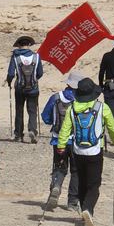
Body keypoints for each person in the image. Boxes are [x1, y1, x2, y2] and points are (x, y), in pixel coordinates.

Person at [55, 78, 114, 226]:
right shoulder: (102, 107)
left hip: (78, 151)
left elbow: (65, 129)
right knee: (94, 184)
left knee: (82, 181)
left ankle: (84, 209)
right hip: (95, 151)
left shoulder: (72, 108)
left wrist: (61, 146)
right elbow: (112, 127)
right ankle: (88, 209)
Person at [40, 71, 85, 211]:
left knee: (59, 167)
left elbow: (45, 117)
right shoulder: (81, 100)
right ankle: (72, 202)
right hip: (76, 141)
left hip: (57, 140)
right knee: (76, 171)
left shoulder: (55, 97)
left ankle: (56, 186)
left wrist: (53, 122)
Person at [6, 35, 44, 143]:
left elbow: (10, 73)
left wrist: (9, 82)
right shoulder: (36, 56)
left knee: (19, 110)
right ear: (29, 44)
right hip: (33, 88)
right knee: (32, 111)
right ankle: (32, 130)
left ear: (19, 45)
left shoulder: (15, 56)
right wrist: (34, 80)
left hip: (20, 88)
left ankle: (18, 134)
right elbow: (40, 73)